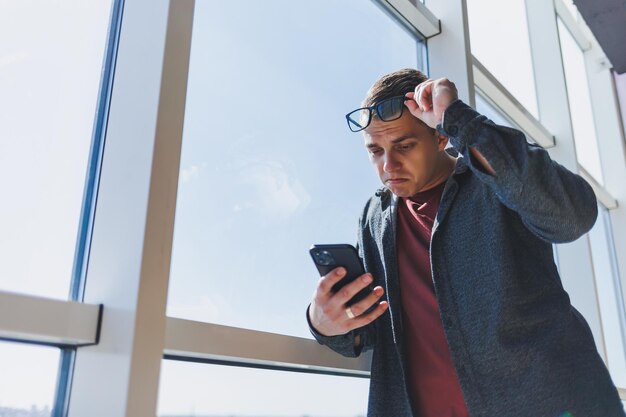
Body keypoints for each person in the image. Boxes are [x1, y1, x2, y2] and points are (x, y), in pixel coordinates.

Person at [306, 68, 625, 417]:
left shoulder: (494, 175)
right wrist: (323, 322)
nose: (387, 165)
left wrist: (458, 119)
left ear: (441, 137)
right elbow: (368, 332)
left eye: (404, 145)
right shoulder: (374, 217)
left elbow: (572, 216)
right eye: (375, 151)